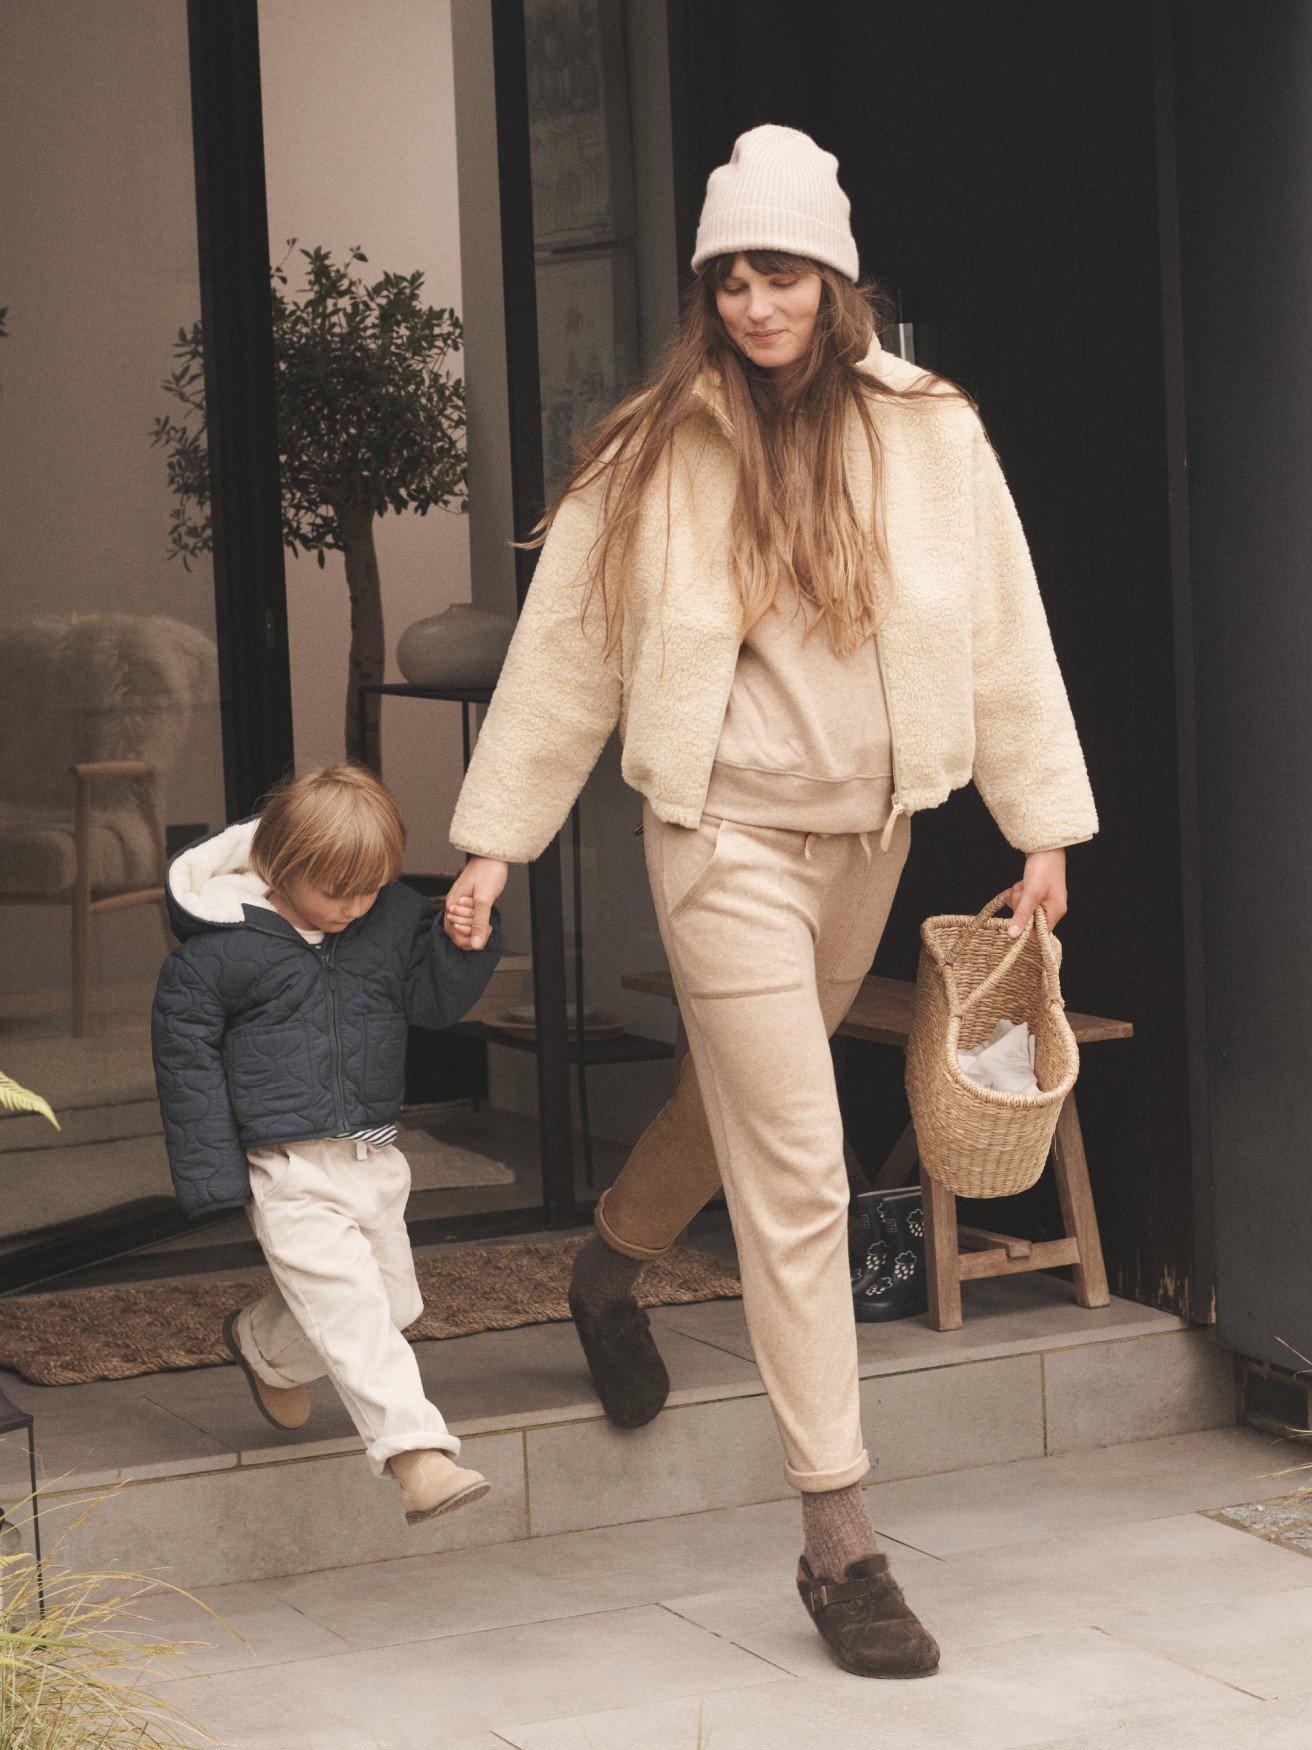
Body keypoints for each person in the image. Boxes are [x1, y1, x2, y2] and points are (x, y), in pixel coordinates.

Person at [443, 124, 1097, 1677]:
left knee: (741, 1102)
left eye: (781, 270)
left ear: (837, 280)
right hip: (718, 838)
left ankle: (610, 1253)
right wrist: (495, 841)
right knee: (797, 1166)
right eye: (729, 274)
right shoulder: (652, 447)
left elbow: (1004, 618)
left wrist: (1044, 821)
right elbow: (565, 656)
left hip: (865, 843)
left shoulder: (929, 430)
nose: (753, 299)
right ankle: (840, 1537)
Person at [152, 764, 502, 1526]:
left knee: (391, 1303)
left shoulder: (386, 925)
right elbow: (187, 1067)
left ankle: (263, 1345)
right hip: (285, 1166)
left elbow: (434, 1003)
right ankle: (417, 1457)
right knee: (351, 1311)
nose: (351, 910)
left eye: (369, 891)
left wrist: (462, 941)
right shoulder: (216, 952)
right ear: (279, 866)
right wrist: (213, 1177)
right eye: (334, 893)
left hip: (374, 1159)